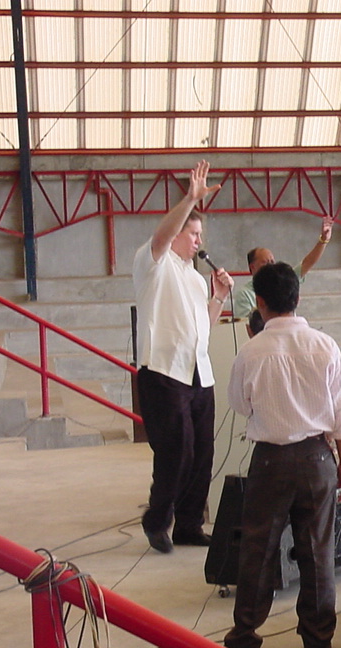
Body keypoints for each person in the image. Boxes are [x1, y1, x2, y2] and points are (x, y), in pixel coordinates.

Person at [223, 261, 341, 648]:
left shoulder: (252, 350)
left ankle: (245, 634)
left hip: (270, 462)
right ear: (298, 297)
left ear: (259, 303)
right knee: (317, 550)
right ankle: (317, 638)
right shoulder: (325, 345)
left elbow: (240, 405)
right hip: (318, 458)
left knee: (258, 549)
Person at [133, 160, 234, 553]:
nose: (197, 240)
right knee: (178, 452)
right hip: (163, 371)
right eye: (192, 232)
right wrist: (190, 198)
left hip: (197, 374)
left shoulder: (193, 277)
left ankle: (189, 524)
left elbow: (202, 332)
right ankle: (157, 519)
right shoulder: (153, 263)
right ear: (176, 233)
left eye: (199, 234)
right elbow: (161, 235)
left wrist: (219, 298)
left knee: (203, 454)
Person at [231, 215, 333, 318]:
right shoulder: (244, 294)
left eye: (272, 262)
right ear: (252, 267)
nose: (271, 266)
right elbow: (244, 326)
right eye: (265, 263)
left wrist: (323, 240)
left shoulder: (284, 282)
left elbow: (307, 263)